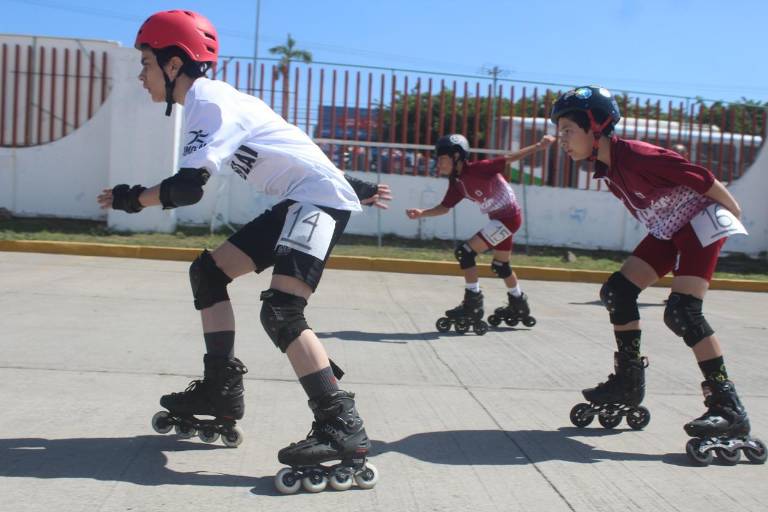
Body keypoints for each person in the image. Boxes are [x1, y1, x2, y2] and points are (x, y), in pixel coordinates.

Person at [97, 10, 390, 491]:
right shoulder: (211, 102)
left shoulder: (208, 102)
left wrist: (132, 199)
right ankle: (220, 390)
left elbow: (188, 188)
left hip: (316, 201)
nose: (140, 74)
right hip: (304, 198)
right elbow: (293, 148)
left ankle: (342, 425)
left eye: (146, 62)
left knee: (282, 311)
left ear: (174, 64)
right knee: (209, 275)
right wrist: (356, 184)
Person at [552, 86, 763, 465]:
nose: (561, 139)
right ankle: (629, 382)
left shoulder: (634, 155)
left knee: (683, 311)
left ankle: (728, 408)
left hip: (700, 221)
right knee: (618, 292)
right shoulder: (608, 167)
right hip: (670, 229)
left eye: (568, 129)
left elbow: (700, 177)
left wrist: (733, 212)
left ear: (596, 127)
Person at [405, 133, 554, 335]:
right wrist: (423, 213)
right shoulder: (456, 183)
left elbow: (509, 158)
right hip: (500, 220)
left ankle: (472, 304)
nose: (438, 163)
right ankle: (519, 304)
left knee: (465, 253)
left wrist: (539, 146)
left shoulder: (480, 168)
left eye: (441, 158)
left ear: (457, 156)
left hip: (507, 219)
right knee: (501, 266)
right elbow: (444, 207)